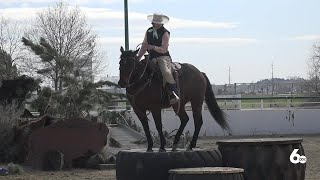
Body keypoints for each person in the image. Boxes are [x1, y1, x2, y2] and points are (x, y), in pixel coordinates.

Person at [136, 13, 179, 104]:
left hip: (163, 57)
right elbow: (144, 46)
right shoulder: (149, 31)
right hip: (151, 57)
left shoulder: (165, 33)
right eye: (154, 22)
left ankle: (173, 92)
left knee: (166, 71)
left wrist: (153, 47)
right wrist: (138, 58)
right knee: (141, 70)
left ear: (161, 23)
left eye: (157, 22)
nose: (155, 24)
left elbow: (164, 49)